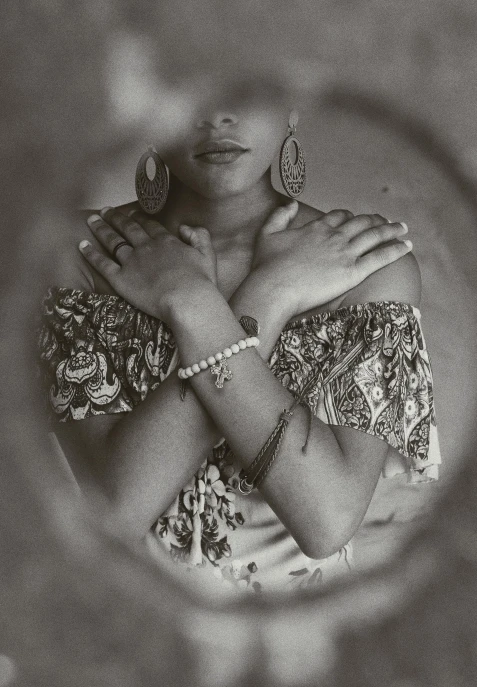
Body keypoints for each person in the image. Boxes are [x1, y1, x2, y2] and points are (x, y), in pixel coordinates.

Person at [37, 75, 440, 593]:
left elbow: (326, 520)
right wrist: (218, 302)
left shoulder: (364, 264)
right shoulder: (82, 255)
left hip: (301, 649)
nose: (217, 115)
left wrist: (252, 295)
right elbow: (119, 507)